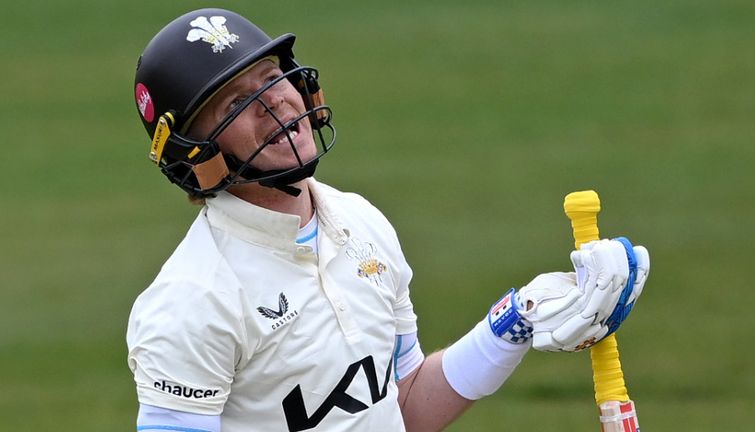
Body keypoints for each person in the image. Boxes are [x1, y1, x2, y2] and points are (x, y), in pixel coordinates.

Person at [127, 8, 650, 432]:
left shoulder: (360, 222)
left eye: (271, 77)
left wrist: (518, 319)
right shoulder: (191, 302)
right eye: (237, 102)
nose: (276, 102)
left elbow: (403, 403)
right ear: (196, 154)